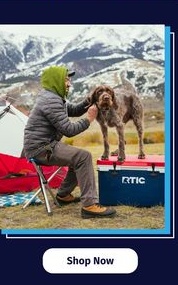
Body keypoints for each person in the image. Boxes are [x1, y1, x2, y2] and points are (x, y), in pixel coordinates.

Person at [24, 65, 116, 218]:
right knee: (83, 156)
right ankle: (90, 206)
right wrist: (89, 119)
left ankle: (63, 195)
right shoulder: (50, 101)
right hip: (42, 148)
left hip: (45, 145)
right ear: (56, 81)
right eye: (66, 80)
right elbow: (69, 130)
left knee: (77, 158)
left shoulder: (53, 97)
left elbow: (73, 110)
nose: (69, 83)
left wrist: (89, 100)